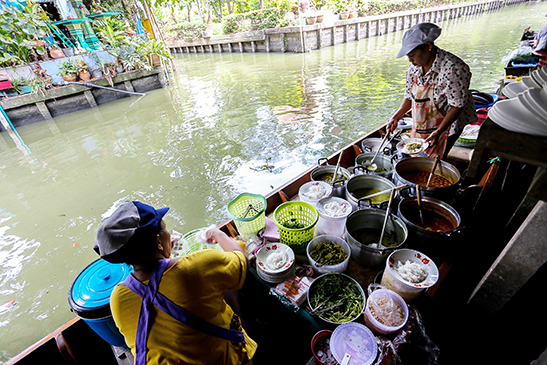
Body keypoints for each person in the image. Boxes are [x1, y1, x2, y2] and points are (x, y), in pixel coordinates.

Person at [94, 201, 257, 365]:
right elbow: (241, 260)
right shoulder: (196, 267)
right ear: (158, 241)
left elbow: (159, 287)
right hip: (222, 360)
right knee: (229, 290)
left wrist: (164, 255)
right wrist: (217, 234)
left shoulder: (117, 297)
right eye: (165, 229)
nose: (169, 234)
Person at [386, 23, 477, 159]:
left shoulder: (454, 69)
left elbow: (457, 106)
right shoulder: (414, 69)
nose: (410, 60)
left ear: (428, 46)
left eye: (412, 55)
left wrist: (439, 131)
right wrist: (396, 117)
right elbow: (409, 96)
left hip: (449, 122)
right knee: (419, 154)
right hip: (423, 121)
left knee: (437, 157)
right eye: (408, 57)